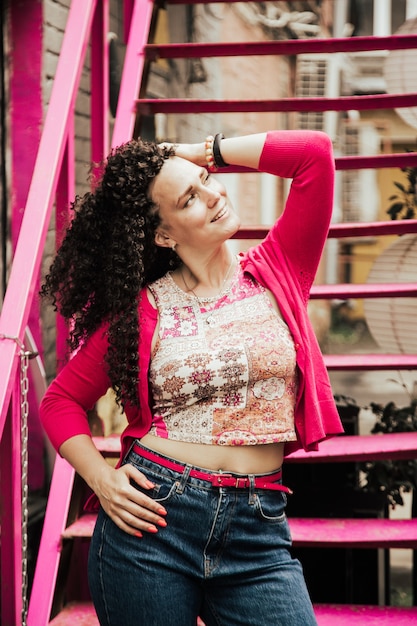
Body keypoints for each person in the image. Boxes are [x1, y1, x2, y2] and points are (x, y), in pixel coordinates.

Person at [40, 129, 344, 626]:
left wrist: (188, 155)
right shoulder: (140, 309)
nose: (214, 195)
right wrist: (101, 477)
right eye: (189, 199)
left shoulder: (279, 267)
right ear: (163, 234)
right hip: (153, 521)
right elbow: (59, 401)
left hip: (258, 528)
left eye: (207, 181)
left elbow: (314, 155)